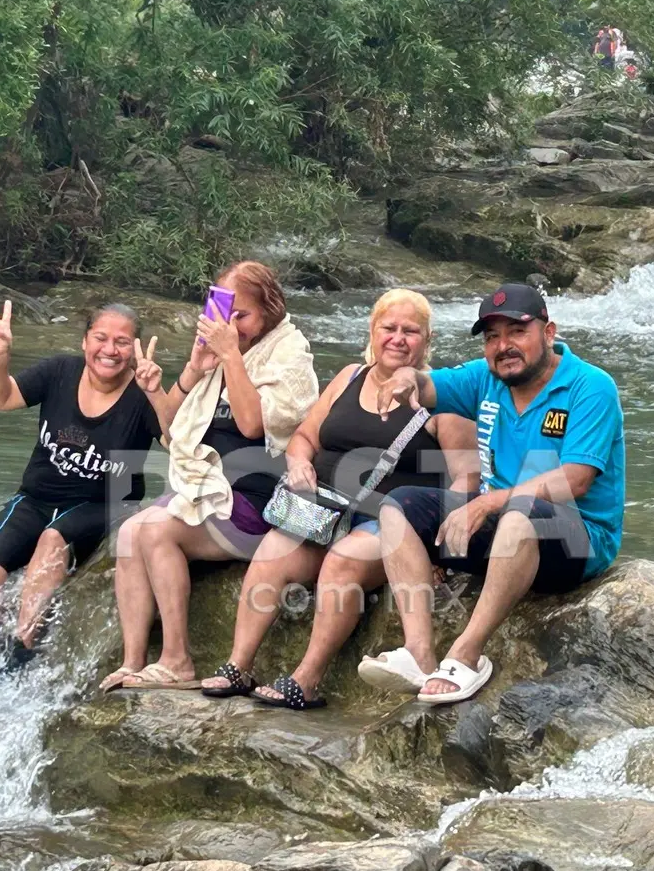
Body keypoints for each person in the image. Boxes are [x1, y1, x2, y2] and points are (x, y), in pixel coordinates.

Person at [198, 289, 479, 710]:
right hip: (322, 512)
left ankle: (306, 679)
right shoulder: (348, 377)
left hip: (387, 524)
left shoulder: (444, 402)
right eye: (389, 328)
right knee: (274, 551)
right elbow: (305, 437)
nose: (398, 338)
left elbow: (466, 480)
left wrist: (445, 547)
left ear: (427, 340)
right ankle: (239, 665)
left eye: (410, 331)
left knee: (341, 562)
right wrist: (298, 463)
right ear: (372, 330)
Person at [363, 282, 626, 704]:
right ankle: (418, 653)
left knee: (519, 513)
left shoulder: (590, 386)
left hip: (578, 539)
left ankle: (467, 653)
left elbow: (574, 480)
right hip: (504, 528)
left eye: (517, 331)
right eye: (491, 337)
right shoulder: (485, 380)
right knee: (400, 506)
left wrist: (486, 501)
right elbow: (430, 385)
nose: (503, 346)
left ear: (549, 332)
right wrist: (407, 378)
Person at [100, 261, 319, 691]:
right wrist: (189, 372)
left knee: (156, 532)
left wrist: (230, 355)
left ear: (270, 311)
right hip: (206, 489)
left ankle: (178, 659)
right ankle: (132, 661)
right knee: (129, 533)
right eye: (227, 313)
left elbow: (253, 423)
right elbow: (171, 430)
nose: (233, 325)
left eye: (244, 315)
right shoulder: (216, 358)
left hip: (258, 501)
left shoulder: (289, 353)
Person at [0, 301, 163, 707]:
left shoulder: (142, 395)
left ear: (135, 349)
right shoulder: (59, 371)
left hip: (107, 502)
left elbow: (181, 443)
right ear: (85, 340)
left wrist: (158, 393)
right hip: (38, 496)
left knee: (52, 540)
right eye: (101, 338)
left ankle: (22, 652)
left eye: (122, 342)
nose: (110, 350)